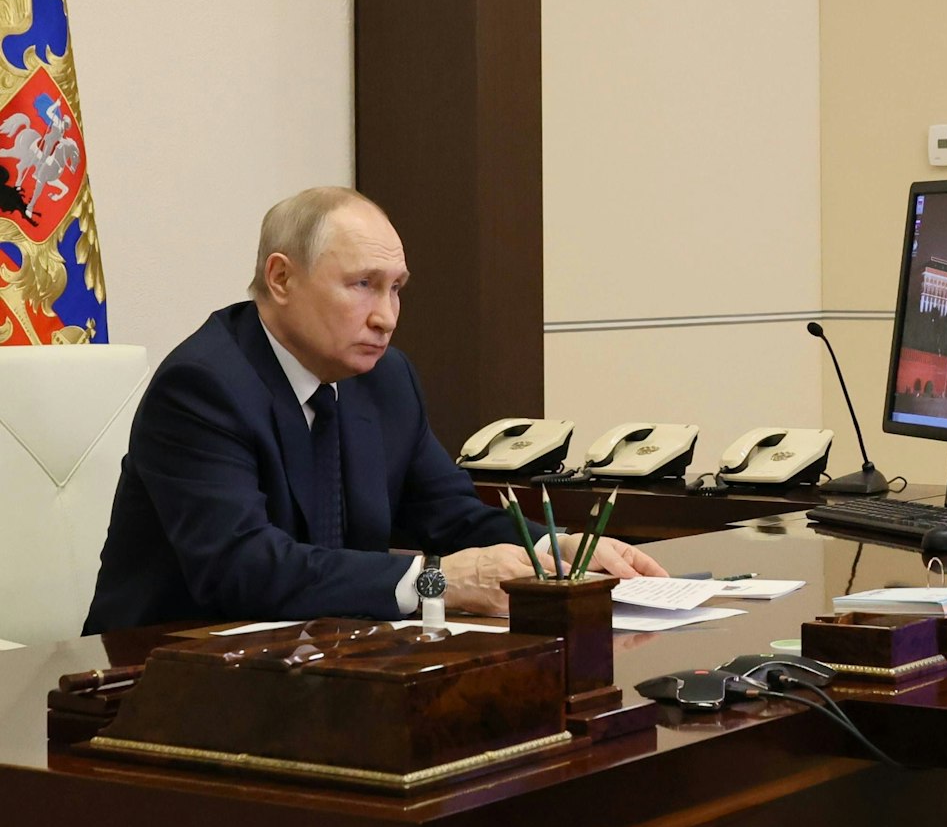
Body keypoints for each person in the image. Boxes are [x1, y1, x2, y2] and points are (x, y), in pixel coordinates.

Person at [84, 187, 664, 634]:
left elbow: (451, 516)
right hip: (162, 676)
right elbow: (243, 569)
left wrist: (552, 551)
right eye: (363, 284)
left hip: (327, 662)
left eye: (396, 288)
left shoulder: (385, 380)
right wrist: (437, 580)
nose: (386, 315)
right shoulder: (204, 386)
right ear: (281, 278)